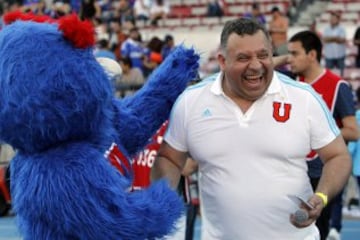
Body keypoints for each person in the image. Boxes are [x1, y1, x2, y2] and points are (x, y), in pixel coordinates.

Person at [151, 18, 352, 239]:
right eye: (243, 58)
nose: (256, 65)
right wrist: (162, 199)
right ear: (222, 61)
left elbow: (338, 156)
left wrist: (320, 197)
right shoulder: (191, 101)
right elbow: (169, 158)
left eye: (263, 55)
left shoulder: (303, 98)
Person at [287, 30, 358, 240]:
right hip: (291, 170)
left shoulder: (337, 86)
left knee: (317, 232)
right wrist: (286, 57)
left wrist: (314, 133)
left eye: (295, 53)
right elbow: (263, 68)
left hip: (321, 173)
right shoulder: (289, 82)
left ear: (312, 55)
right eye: (288, 54)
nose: (289, 59)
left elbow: (353, 131)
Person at [322, 11, 347, 77]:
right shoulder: (326, 29)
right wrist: (336, 38)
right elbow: (325, 39)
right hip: (329, 56)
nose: (332, 20)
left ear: (337, 20)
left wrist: (331, 39)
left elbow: (342, 40)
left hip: (340, 56)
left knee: (341, 75)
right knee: (328, 75)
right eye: (331, 19)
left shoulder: (342, 29)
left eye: (334, 19)